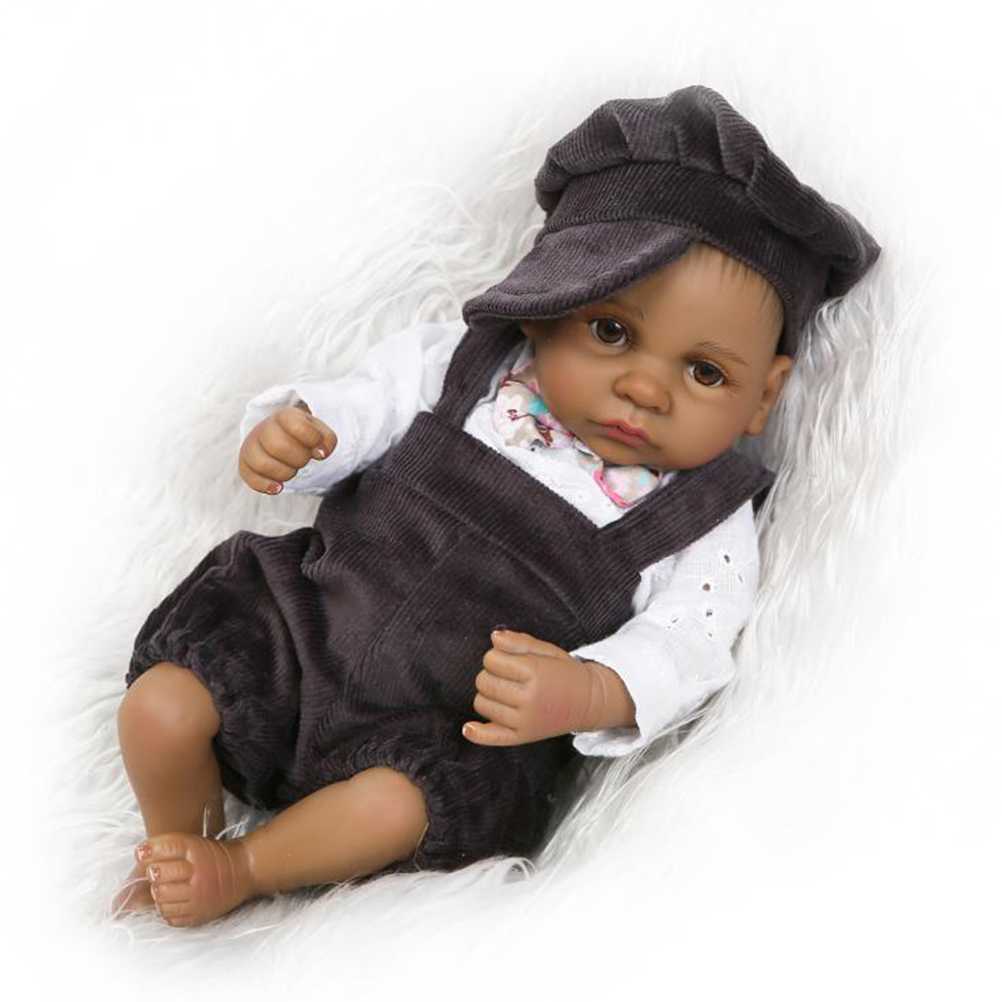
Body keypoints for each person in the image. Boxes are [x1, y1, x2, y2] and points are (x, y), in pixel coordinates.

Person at [111, 85, 881, 927]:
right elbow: (363, 406)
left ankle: (243, 868)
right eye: (612, 332)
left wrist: (590, 691)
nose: (644, 388)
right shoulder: (463, 366)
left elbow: (691, 642)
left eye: (705, 372)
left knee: (394, 807)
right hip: (303, 632)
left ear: (763, 395)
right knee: (162, 705)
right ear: (546, 302)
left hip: (442, 731)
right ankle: (178, 843)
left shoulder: (703, 518)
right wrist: (303, 434)